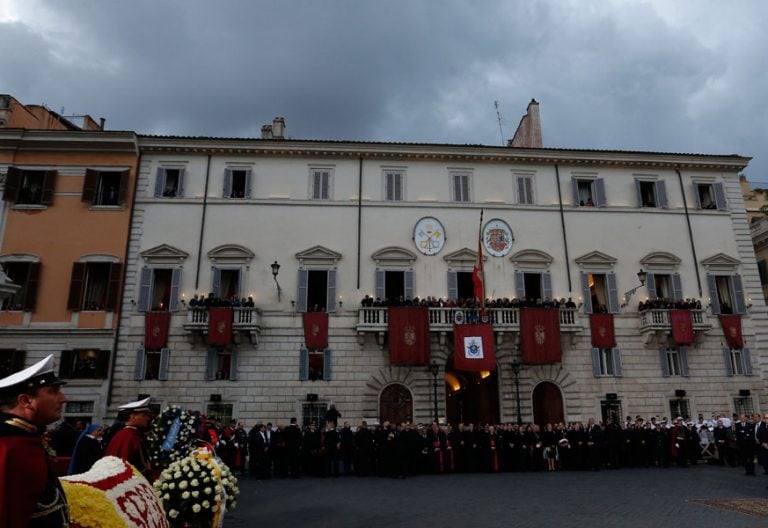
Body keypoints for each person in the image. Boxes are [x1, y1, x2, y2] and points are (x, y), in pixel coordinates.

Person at [0, 354, 70, 527]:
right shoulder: (7, 444)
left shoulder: (27, 436)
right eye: (53, 391)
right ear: (26, 401)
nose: (63, 399)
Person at [104, 396, 154, 480]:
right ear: (133, 416)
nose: (148, 418)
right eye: (144, 415)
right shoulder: (128, 436)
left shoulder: (132, 434)